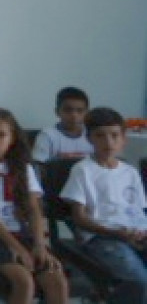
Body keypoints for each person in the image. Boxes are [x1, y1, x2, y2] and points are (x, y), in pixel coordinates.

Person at [0, 108, 69, 304]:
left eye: (2, 135)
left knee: (57, 280)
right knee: (23, 281)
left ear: (12, 138)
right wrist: (17, 248)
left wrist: (39, 245)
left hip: (22, 232)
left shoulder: (23, 167)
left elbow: (34, 210)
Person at [60, 107, 147, 304]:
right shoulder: (83, 170)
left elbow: (138, 212)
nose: (108, 142)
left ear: (124, 137)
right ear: (89, 138)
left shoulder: (130, 172)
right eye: (100, 136)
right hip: (102, 238)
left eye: (115, 135)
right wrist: (116, 233)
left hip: (134, 234)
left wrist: (141, 232)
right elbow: (79, 219)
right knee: (138, 280)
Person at [32, 87, 92, 163]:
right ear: (57, 112)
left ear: (87, 113)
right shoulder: (47, 135)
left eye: (80, 111)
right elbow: (38, 164)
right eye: (68, 110)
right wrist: (59, 160)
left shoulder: (93, 134)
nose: (74, 115)